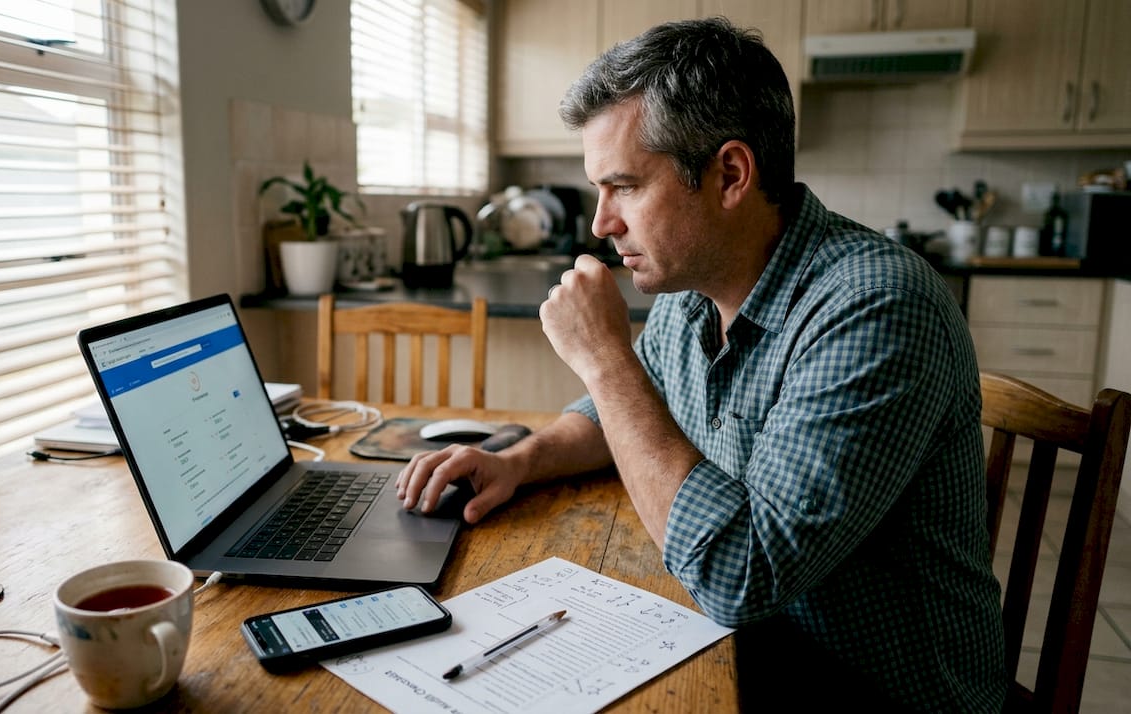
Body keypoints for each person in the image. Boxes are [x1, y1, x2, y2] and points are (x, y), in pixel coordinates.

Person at [396, 17, 1005, 712]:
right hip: (750, 649)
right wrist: (521, 459)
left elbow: (738, 577)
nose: (600, 223)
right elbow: (618, 417)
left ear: (730, 175)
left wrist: (604, 359)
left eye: (623, 186)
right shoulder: (696, 288)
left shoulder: (877, 307)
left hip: (873, 690)